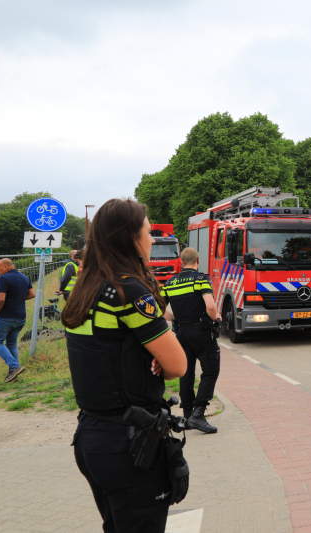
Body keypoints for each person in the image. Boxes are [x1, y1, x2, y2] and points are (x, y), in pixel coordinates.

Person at [61, 199, 187, 532]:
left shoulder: (84, 287)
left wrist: (143, 353)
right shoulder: (128, 290)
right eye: (148, 232)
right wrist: (155, 354)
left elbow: (105, 348)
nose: (152, 240)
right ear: (131, 237)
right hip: (129, 444)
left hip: (92, 434)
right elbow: (178, 365)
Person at [162, 247, 220, 434]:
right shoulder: (201, 279)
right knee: (210, 371)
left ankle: (187, 416)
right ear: (198, 260)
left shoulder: (170, 283)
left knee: (186, 373)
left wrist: (175, 318)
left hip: (181, 334)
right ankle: (199, 414)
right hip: (202, 332)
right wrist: (216, 319)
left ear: (180, 262)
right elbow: (210, 305)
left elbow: (158, 310)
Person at [0, 259, 35, 383]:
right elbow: (32, 294)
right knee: (11, 344)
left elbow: (0, 300)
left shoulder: (4, 279)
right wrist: (17, 300)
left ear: (5, 267)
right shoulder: (24, 277)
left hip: (5, 317)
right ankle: (13, 376)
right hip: (20, 317)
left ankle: (15, 367)